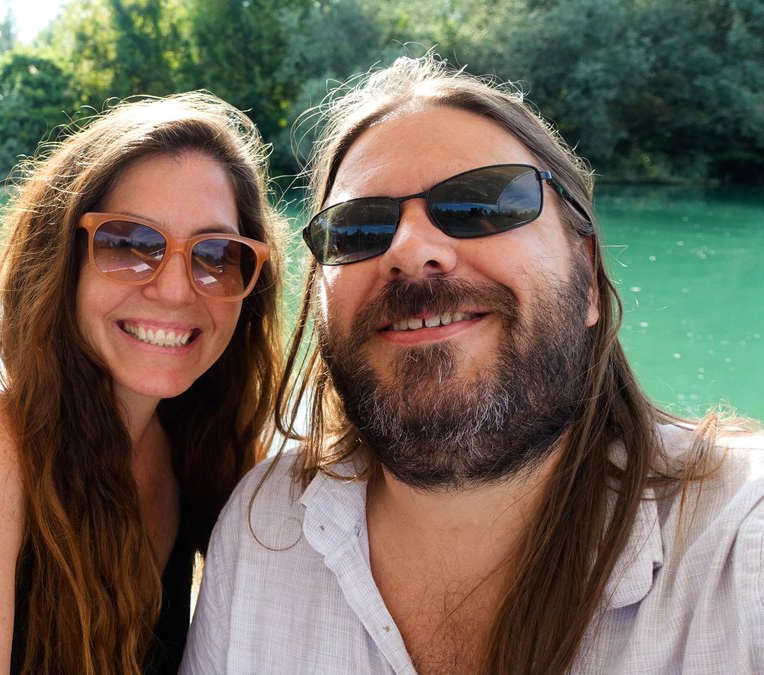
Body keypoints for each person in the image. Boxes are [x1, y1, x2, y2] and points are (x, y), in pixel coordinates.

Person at [182, 55, 763, 674]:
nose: (410, 250)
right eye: (357, 229)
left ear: (589, 276)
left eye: (481, 203)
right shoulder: (264, 524)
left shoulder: (740, 548)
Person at [0, 92, 284, 675]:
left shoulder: (202, 455)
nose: (175, 289)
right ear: (60, 260)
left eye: (216, 253)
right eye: (129, 243)